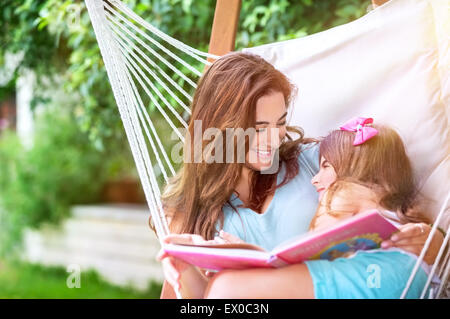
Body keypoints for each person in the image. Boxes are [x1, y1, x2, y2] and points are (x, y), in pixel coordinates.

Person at [157, 52, 444, 298]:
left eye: (279, 123)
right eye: (258, 128)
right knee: (224, 290)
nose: (273, 139)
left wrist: (430, 237)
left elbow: (384, 193)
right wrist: (185, 270)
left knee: (227, 289)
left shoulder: (312, 161)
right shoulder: (184, 212)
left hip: (364, 277)